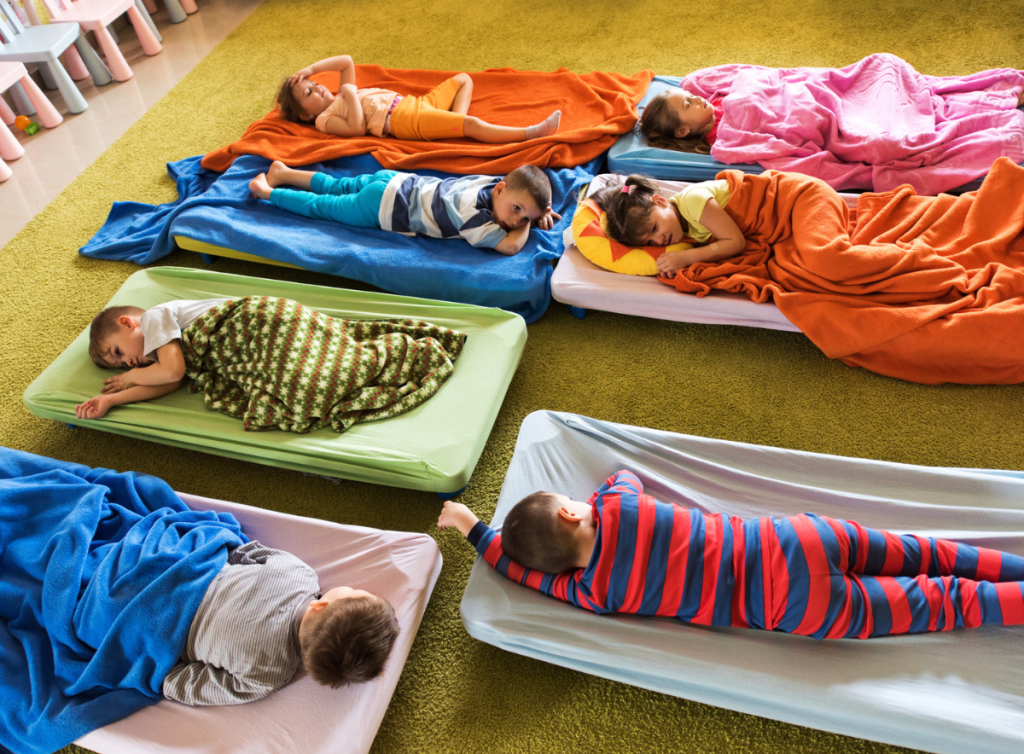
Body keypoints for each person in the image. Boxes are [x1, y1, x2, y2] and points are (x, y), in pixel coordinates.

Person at [439, 470, 1024, 638]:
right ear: (574, 511)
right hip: (797, 539)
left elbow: (533, 578)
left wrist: (476, 532)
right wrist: (597, 495)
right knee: (923, 552)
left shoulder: (592, 593)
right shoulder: (619, 504)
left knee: (948, 602)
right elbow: (625, 476)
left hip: (804, 608)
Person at [76, 296, 467, 431]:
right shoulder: (161, 356)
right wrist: (113, 400)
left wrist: (131, 377)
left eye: (117, 352)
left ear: (129, 322)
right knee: (304, 390)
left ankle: (392, 354)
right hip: (248, 349)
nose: (124, 361)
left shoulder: (155, 318)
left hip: (261, 323)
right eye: (116, 364)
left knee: (308, 384)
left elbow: (172, 371)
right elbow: (170, 381)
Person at [162, 539, 400, 705]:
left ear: (321, 605)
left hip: (184, 575)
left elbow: (242, 552)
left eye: (354, 590)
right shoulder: (268, 676)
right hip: (165, 633)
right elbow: (188, 686)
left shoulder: (298, 573)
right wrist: (166, 676)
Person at [249, 162, 560, 256]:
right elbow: (509, 247)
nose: (515, 219)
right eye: (516, 210)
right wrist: (530, 223)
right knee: (324, 207)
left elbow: (518, 198)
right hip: (383, 207)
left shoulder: (490, 183)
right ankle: (267, 192)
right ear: (500, 191)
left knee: (338, 185)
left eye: (524, 216)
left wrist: (533, 210)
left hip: (395, 181)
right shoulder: (473, 217)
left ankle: (284, 173)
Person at [279, 55, 561, 143]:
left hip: (416, 104)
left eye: (314, 84)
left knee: (464, 79)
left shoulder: (341, 89)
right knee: (473, 123)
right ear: (305, 114)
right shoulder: (325, 120)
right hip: (402, 120)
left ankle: (454, 125)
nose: (318, 89)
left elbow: (346, 61)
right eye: (309, 93)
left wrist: (310, 69)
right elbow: (355, 128)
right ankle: (530, 134)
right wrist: (350, 96)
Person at [589, 173, 744, 277]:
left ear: (661, 202)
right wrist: (672, 264)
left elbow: (735, 242)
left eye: (654, 228)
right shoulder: (677, 227)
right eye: (650, 242)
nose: (659, 240)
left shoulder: (693, 201)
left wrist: (687, 257)